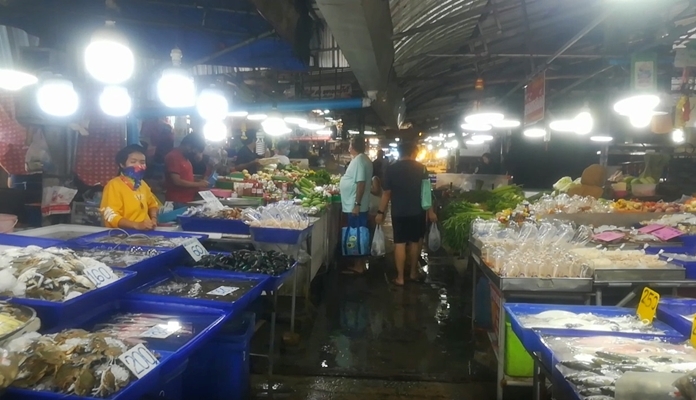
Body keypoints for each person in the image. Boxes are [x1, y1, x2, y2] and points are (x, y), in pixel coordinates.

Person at [376, 141, 437, 286]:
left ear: (399, 152)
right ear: (413, 153)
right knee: (415, 242)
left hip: (399, 212)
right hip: (417, 211)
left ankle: (400, 278)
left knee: (400, 243)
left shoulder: (391, 169)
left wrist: (380, 212)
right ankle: (413, 273)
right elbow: (426, 192)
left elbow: (387, 193)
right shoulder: (421, 168)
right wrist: (431, 212)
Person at [100, 145, 159, 230]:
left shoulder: (142, 184)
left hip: (144, 233)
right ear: (122, 164)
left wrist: (153, 219)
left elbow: (153, 204)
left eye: (142, 162)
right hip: (122, 235)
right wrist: (136, 225)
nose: (138, 165)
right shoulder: (114, 185)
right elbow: (110, 215)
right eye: (133, 162)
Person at [339, 136, 373, 274]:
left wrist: (357, 204)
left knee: (357, 234)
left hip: (356, 205)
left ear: (352, 146)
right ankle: (360, 264)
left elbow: (361, 183)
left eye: (350, 145)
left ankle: (358, 265)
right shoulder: (364, 159)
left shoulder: (359, 160)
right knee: (360, 233)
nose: (348, 148)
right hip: (357, 204)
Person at [164, 134, 209, 206]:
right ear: (188, 145)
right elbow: (177, 181)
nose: (194, 153)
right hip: (177, 201)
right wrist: (198, 184)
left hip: (187, 200)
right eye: (195, 151)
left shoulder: (185, 158)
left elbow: (185, 176)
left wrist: (198, 180)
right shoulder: (173, 157)